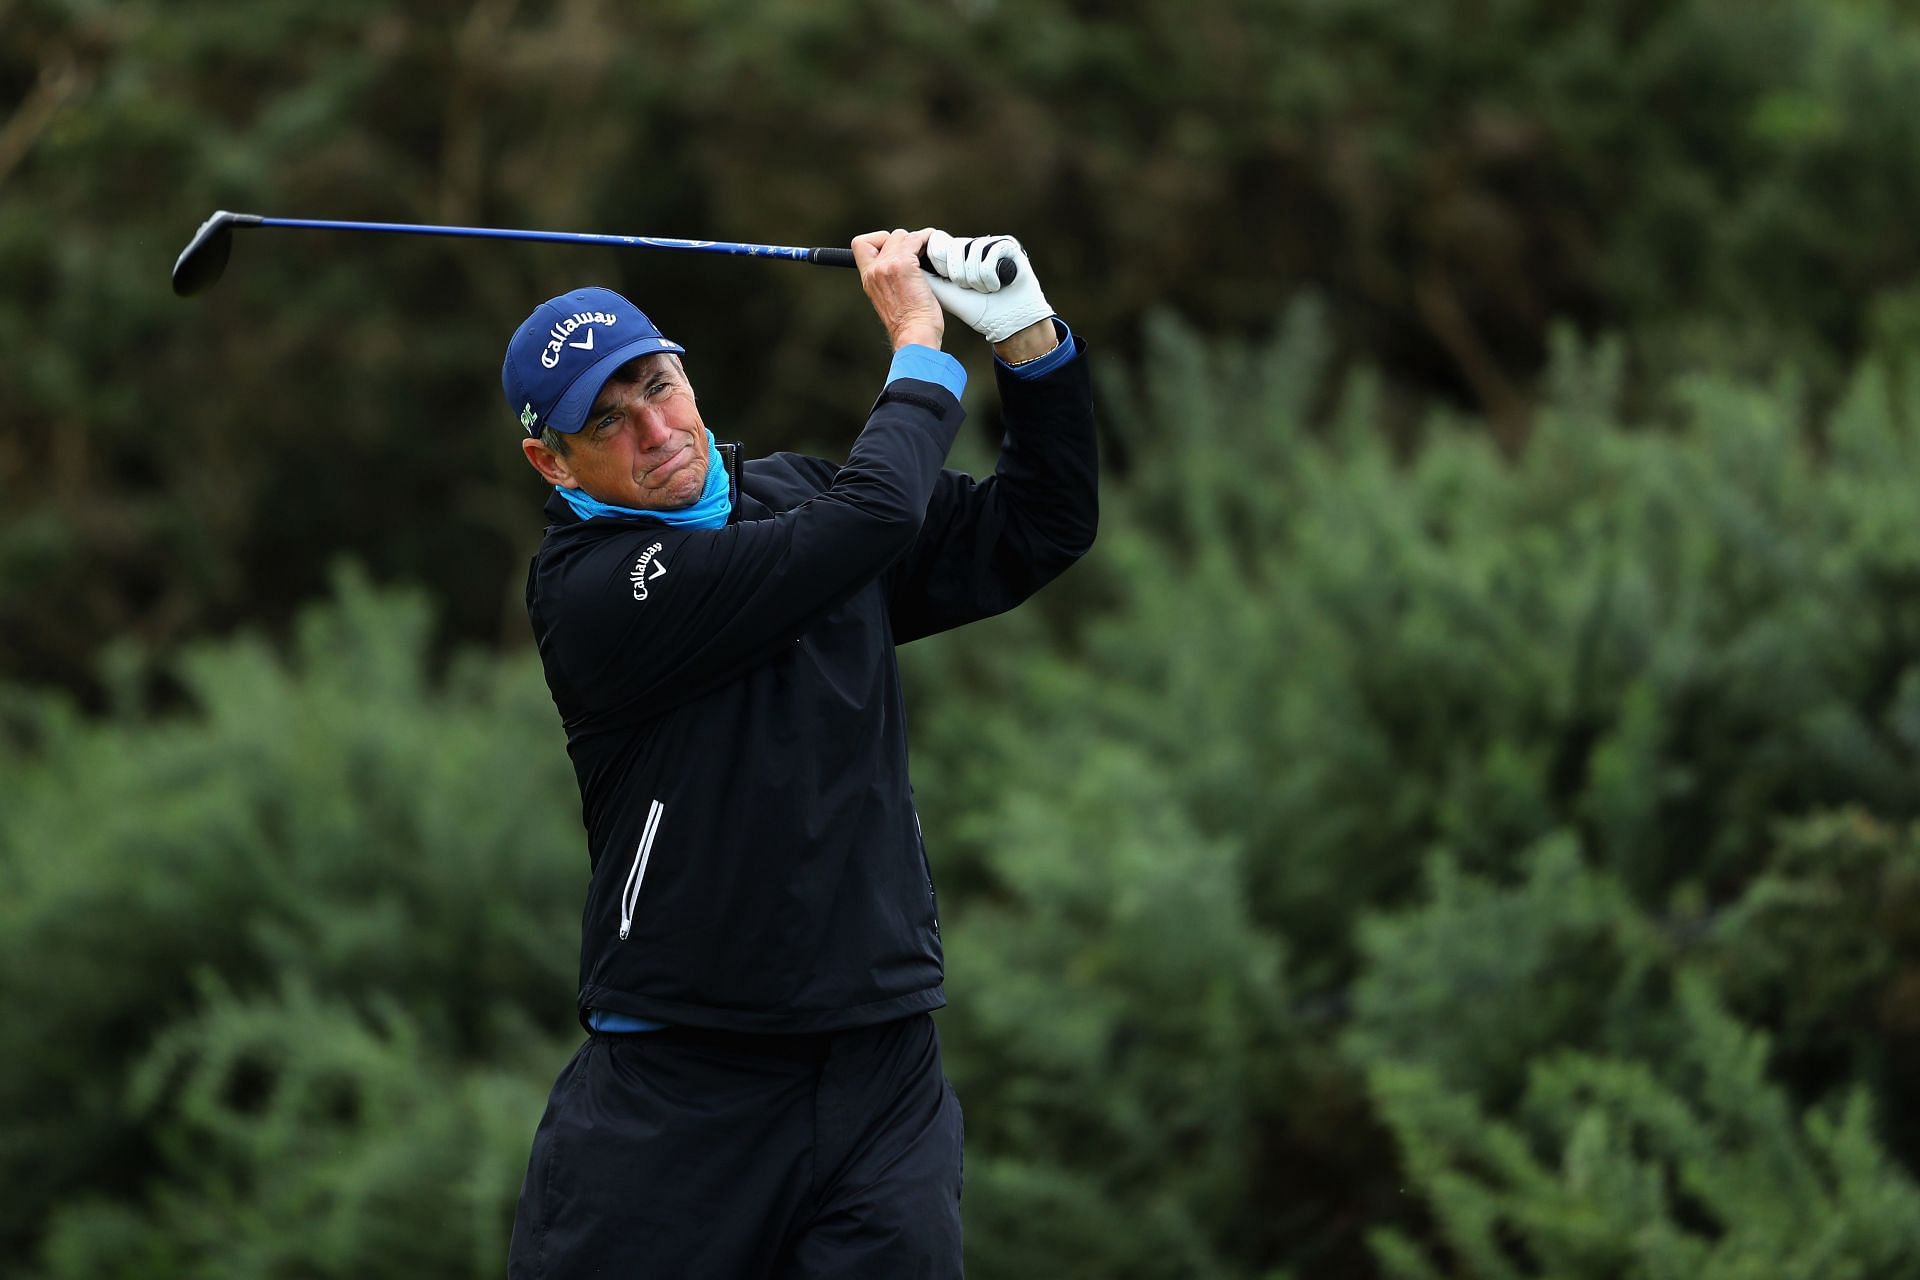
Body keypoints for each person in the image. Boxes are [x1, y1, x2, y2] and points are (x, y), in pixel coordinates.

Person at [500, 227, 1097, 1278]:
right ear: (552, 461)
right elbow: (865, 522)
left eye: (657, 384)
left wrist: (1027, 341)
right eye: (608, 418)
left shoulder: (801, 498)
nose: (654, 426)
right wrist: (920, 340)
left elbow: (1040, 524)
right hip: (682, 1082)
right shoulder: (594, 588)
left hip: (882, 1066)